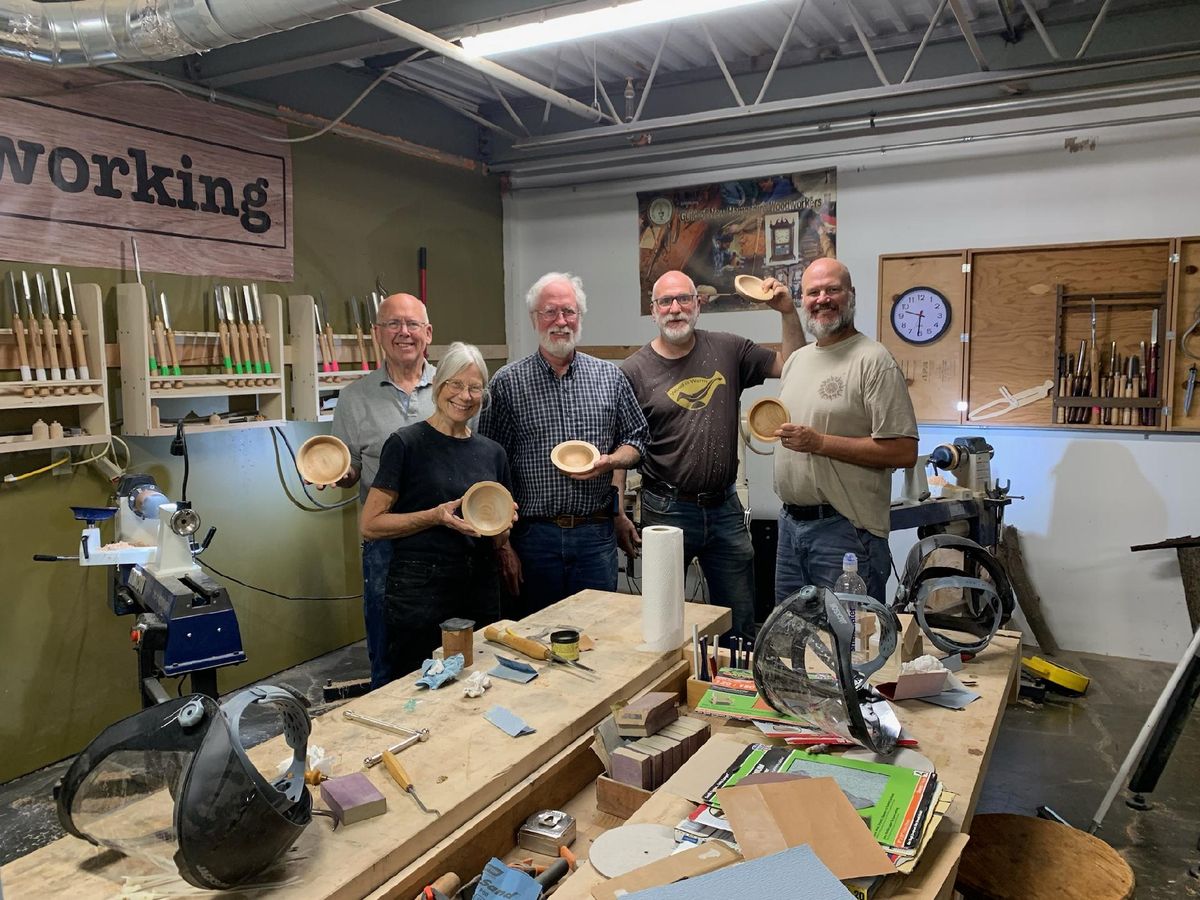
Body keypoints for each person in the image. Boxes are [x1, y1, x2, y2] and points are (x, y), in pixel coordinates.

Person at [618, 269, 805, 646]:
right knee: (662, 624)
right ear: (653, 310)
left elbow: (794, 365)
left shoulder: (728, 349)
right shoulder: (632, 371)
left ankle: (736, 695)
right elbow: (620, 443)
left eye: (683, 299)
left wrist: (787, 312)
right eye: (665, 301)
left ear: (698, 304)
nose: (675, 309)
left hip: (725, 510)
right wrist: (618, 511)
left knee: (738, 622)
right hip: (664, 508)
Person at [480, 272, 649, 616]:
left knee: (597, 635)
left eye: (569, 312)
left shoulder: (609, 377)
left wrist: (611, 461)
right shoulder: (507, 384)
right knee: (533, 636)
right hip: (532, 538)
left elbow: (638, 440)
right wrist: (502, 544)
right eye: (550, 312)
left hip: (595, 536)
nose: (561, 321)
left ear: (580, 317)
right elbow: (490, 469)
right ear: (534, 319)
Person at [360, 342, 514, 678]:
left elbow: (499, 539)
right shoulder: (406, 444)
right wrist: (434, 516)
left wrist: (504, 524)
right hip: (420, 592)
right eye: (455, 384)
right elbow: (370, 524)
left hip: (479, 588)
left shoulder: (492, 453)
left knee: (479, 678)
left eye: (474, 387)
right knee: (416, 683)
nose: (464, 395)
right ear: (438, 386)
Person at [773, 258, 918, 604]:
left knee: (851, 644)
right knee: (791, 635)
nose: (822, 299)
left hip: (844, 531)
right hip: (791, 526)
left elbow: (903, 451)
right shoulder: (798, 359)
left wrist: (819, 443)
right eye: (813, 292)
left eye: (832, 290)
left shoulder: (873, 360)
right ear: (803, 299)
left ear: (851, 295)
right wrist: (784, 314)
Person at [330, 292, 434, 688]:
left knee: (449, 644)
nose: (403, 333)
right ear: (377, 333)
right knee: (388, 648)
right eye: (393, 324)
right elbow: (351, 468)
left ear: (428, 333)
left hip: (445, 537)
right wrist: (339, 474)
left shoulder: (453, 387)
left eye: (411, 324)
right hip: (385, 542)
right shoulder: (354, 398)